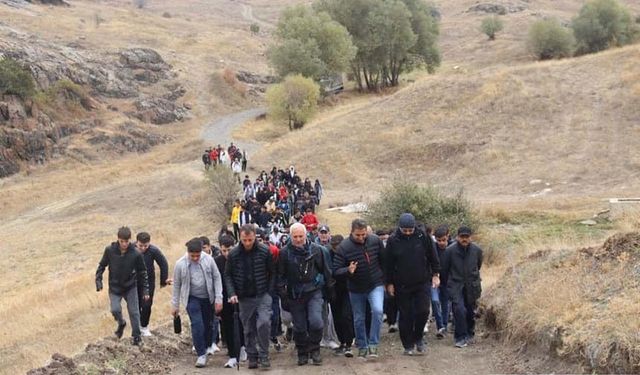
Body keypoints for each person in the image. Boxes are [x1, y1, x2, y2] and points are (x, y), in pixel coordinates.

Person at [278, 223, 334, 366]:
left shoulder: (316, 250)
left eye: (300, 236)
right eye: (295, 237)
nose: (298, 239)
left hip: (314, 291)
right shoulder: (284, 252)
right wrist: (283, 295)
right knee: (299, 327)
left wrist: (329, 291)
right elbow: (280, 275)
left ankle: (315, 349)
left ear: (306, 235)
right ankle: (302, 352)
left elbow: (325, 271)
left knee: (316, 322)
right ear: (290, 236)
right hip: (294, 294)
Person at [385, 213, 440, 356]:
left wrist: (435, 274)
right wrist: (389, 283)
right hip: (402, 284)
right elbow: (388, 264)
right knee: (406, 315)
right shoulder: (393, 240)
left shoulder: (423, 237)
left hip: (422, 281)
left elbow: (433, 256)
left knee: (423, 311)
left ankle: (418, 337)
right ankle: (408, 344)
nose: (408, 233)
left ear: (414, 227)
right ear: (400, 228)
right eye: (405, 230)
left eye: (410, 230)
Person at [333, 219, 385, 359]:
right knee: (359, 318)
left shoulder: (375, 241)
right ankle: (362, 345)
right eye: (358, 235)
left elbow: (384, 260)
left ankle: (373, 344)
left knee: (378, 310)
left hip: (375, 283)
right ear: (352, 232)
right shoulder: (343, 247)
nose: (361, 238)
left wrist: (386, 279)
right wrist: (348, 270)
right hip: (355, 288)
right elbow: (336, 271)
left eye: (363, 234)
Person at [224, 224, 275, 370]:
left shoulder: (265, 251)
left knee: (263, 323)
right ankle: (252, 355)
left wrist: (269, 292)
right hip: (244, 297)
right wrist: (232, 293)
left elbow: (273, 272)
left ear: (255, 237)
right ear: (240, 238)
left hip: (262, 294)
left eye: (250, 240)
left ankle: (264, 355)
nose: (247, 243)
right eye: (245, 240)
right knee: (248, 328)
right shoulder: (233, 254)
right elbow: (227, 275)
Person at [171, 238, 223, 368]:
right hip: (191, 298)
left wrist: (218, 298)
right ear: (187, 252)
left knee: (208, 325)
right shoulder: (180, 264)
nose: (195, 258)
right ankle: (201, 354)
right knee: (197, 324)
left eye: (197, 255)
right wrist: (175, 304)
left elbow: (217, 278)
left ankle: (206, 346)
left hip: (208, 298)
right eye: (192, 255)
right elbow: (176, 285)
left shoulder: (208, 260)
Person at [95, 227, 150, 346]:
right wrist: (98, 280)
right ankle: (121, 323)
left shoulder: (135, 253)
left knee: (134, 312)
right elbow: (102, 265)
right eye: (122, 241)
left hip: (130, 286)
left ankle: (137, 337)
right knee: (115, 309)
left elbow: (143, 271)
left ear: (130, 240)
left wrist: (145, 290)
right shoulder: (109, 250)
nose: (124, 244)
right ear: (118, 239)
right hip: (115, 287)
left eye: (127, 241)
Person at [440, 226, 483, 348]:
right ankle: (460, 337)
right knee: (459, 310)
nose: (464, 239)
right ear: (457, 237)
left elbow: (478, 265)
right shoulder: (450, 251)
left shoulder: (477, 250)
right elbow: (445, 269)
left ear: (471, 237)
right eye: (462, 237)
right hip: (455, 284)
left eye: (467, 237)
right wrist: (449, 283)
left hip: (471, 285)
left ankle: (469, 332)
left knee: (470, 311)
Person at [216, 235, 246, 368]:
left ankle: (244, 346)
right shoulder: (217, 262)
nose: (227, 253)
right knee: (227, 325)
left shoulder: (242, 258)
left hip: (242, 296)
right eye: (224, 250)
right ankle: (233, 354)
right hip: (223, 297)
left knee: (243, 323)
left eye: (229, 250)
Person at [134, 232, 171, 337]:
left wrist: (163, 280)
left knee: (146, 304)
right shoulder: (130, 249)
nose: (143, 248)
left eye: (146, 246)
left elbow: (163, 263)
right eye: (140, 246)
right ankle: (136, 328)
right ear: (136, 242)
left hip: (149, 281)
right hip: (133, 282)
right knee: (136, 306)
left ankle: (144, 327)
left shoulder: (153, 250)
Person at [328, 234, 355, 357]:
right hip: (334, 289)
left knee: (346, 316)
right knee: (337, 317)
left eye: (337, 246)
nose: (335, 248)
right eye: (333, 246)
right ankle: (342, 342)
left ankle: (349, 342)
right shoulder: (328, 254)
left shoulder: (349, 254)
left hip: (347, 288)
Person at [314, 225, 340, 350]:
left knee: (330, 314)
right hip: (318, 285)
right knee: (320, 314)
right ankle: (322, 338)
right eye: (321, 232)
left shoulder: (336, 246)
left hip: (332, 283)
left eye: (326, 232)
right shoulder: (313, 247)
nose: (323, 235)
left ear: (329, 233)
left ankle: (330, 338)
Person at [432, 226, 451, 338]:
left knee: (445, 304)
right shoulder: (432, 248)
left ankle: (443, 326)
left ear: (447, 236)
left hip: (448, 281)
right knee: (434, 301)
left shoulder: (453, 248)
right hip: (434, 280)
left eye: (443, 240)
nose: (441, 243)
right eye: (438, 240)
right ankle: (440, 325)